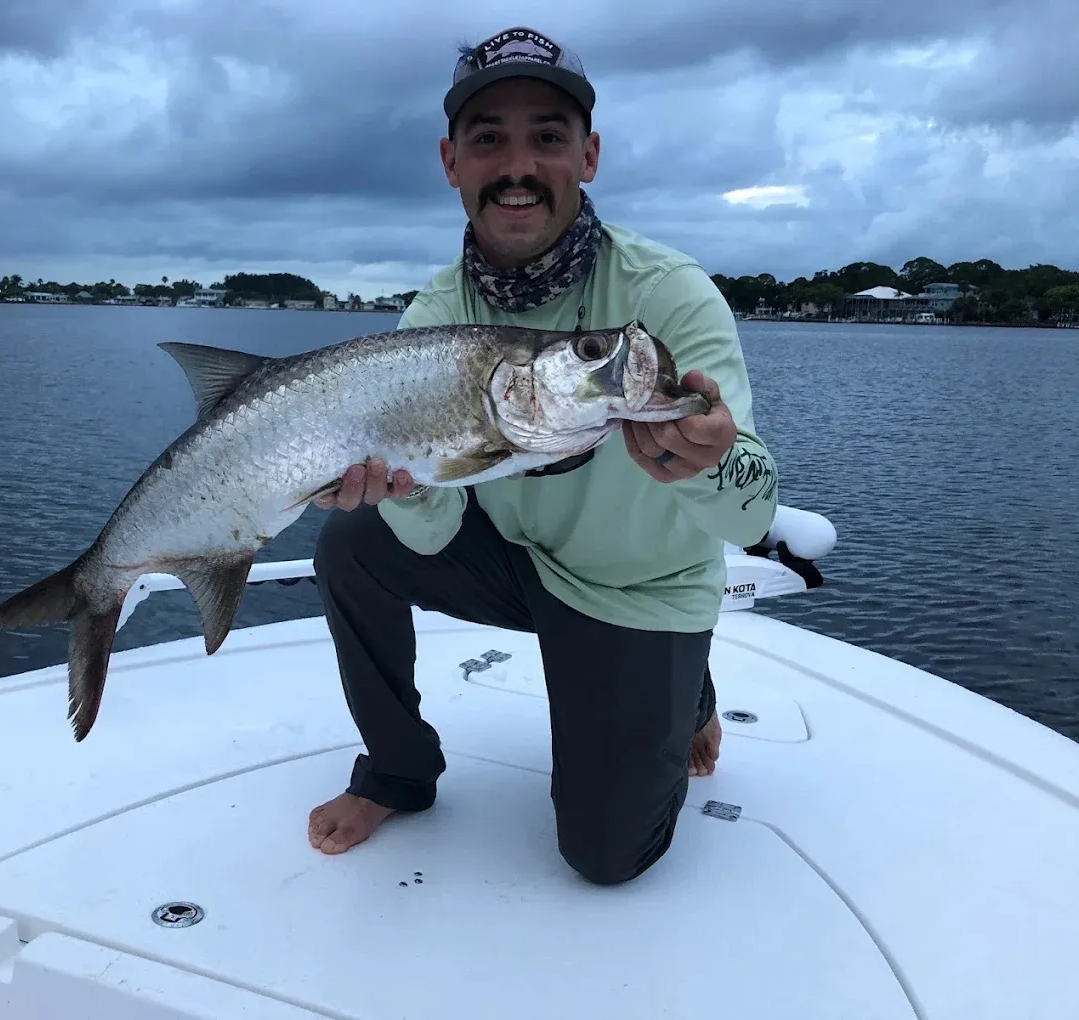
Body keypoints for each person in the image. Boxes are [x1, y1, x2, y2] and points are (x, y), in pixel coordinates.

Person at [306, 26, 779, 885]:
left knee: (605, 857)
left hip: (638, 589)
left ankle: (684, 687)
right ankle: (398, 770)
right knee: (351, 541)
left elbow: (753, 513)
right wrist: (405, 486)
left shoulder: (668, 294)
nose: (518, 166)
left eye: (548, 137)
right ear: (451, 162)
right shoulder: (435, 318)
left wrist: (710, 460)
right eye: (489, 139)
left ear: (588, 155)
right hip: (514, 559)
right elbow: (431, 529)